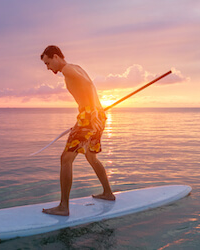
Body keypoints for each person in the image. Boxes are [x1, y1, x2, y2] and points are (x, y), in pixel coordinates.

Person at [40, 45, 115, 216]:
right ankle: (108, 193)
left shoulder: (67, 70)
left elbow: (88, 84)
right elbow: (89, 85)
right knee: (91, 156)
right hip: (97, 116)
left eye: (48, 63)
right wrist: (96, 111)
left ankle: (63, 206)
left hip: (89, 116)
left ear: (56, 57)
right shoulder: (76, 67)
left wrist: (91, 112)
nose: (48, 68)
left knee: (65, 159)